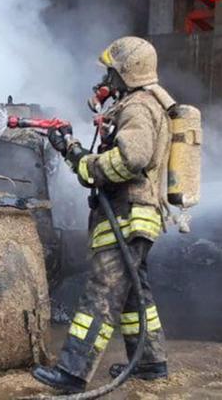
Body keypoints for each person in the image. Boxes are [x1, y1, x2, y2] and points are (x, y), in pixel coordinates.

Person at [32, 37, 172, 393]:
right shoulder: (145, 103)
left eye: (112, 71)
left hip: (127, 216)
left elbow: (132, 158)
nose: (107, 78)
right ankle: (150, 362)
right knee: (135, 294)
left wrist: (81, 158)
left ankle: (73, 373)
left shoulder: (138, 107)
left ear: (126, 71)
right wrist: (75, 149)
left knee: (101, 293)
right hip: (136, 215)